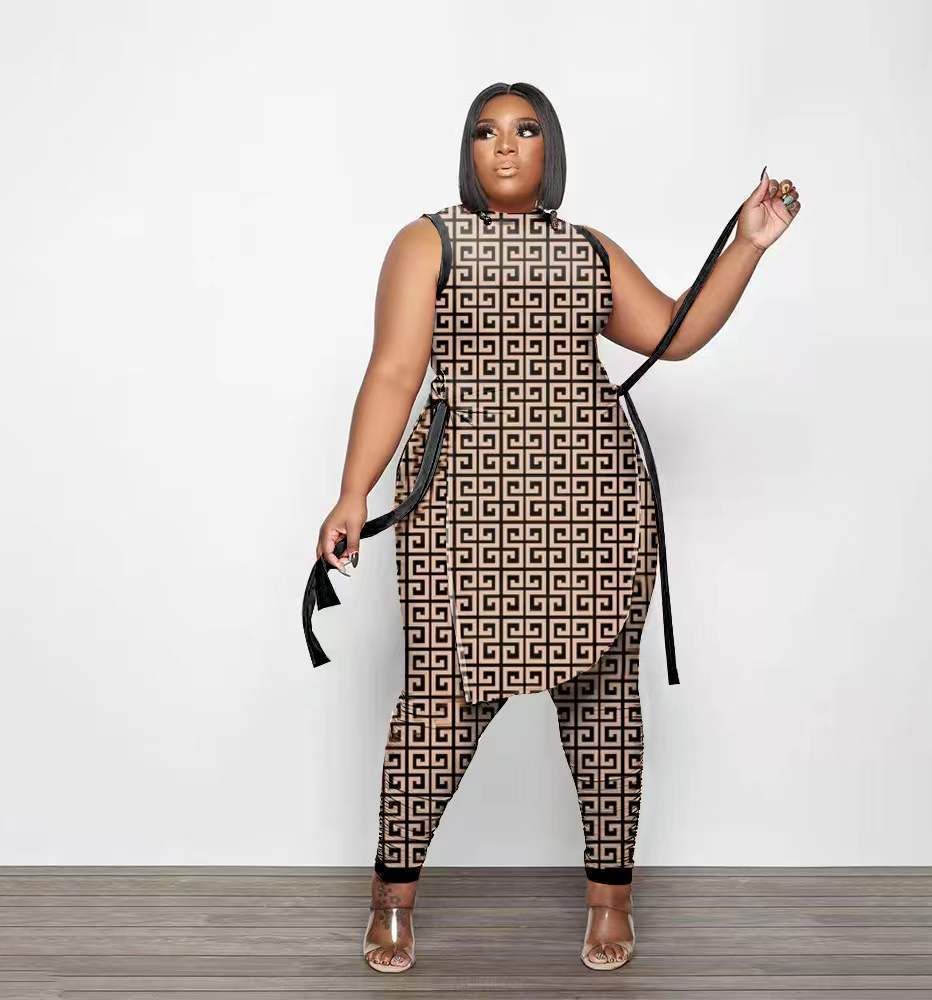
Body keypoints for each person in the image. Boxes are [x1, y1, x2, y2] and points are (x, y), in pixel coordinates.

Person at [313, 81, 800, 973]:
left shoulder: (587, 250)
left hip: (593, 506)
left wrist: (747, 244)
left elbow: (675, 332)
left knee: (606, 705)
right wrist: (354, 491)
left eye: (526, 128)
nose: (505, 145)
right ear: (467, 150)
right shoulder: (427, 243)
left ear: (552, 147)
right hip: (464, 507)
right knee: (439, 702)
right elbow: (392, 373)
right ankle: (391, 898)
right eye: (486, 131)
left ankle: (611, 903)